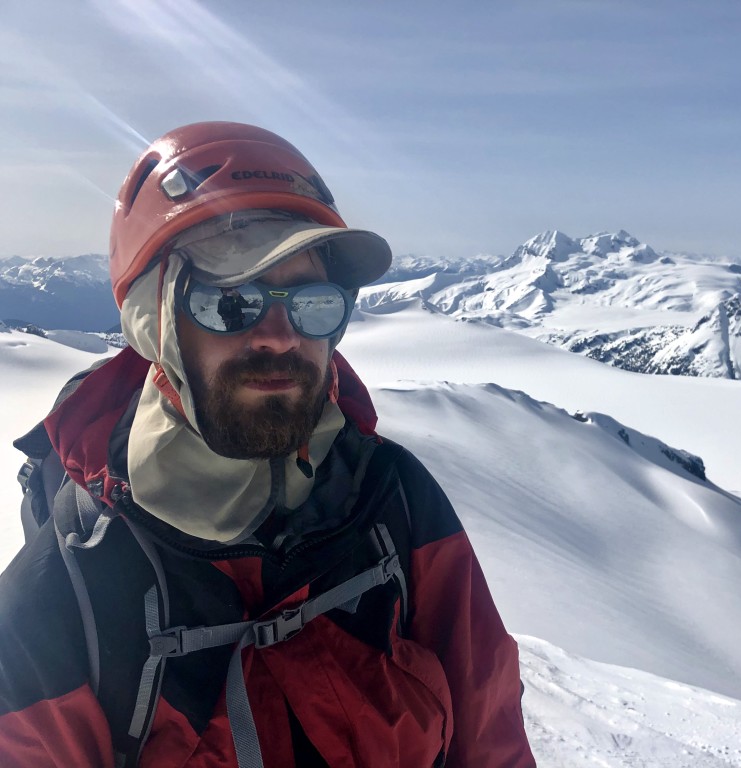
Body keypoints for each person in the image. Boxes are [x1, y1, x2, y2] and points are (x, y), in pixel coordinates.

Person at [0, 122, 535, 767]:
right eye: (232, 303)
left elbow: (490, 736)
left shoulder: (394, 502)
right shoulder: (60, 597)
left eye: (312, 303)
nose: (280, 337)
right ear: (157, 319)